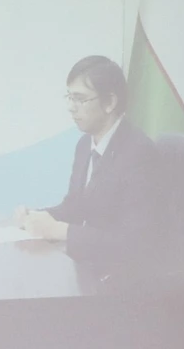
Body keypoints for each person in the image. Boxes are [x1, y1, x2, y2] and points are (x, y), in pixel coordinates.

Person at [17, 55, 159, 281]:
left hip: (125, 280)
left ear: (110, 102)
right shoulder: (85, 145)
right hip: (91, 268)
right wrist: (37, 217)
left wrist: (60, 230)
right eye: (69, 97)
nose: (71, 108)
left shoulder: (138, 152)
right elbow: (75, 206)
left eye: (80, 99)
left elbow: (133, 241)